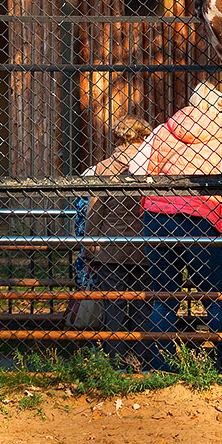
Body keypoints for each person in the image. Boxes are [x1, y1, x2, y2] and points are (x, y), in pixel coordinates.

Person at [139, 81, 222, 374]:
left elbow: (136, 169)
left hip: (157, 218)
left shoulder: (162, 131)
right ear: (219, 108)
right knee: (214, 298)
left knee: (164, 298)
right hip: (201, 221)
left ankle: (159, 368)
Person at [79, 116, 154, 354]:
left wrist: (89, 251)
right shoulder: (151, 166)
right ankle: (144, 358)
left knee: (114, 306)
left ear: (118, 138)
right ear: (143, 137)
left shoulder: (104, 168)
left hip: (111, 250)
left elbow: (94, 213)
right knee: (144, 304)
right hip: (146, 248)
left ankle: (116, 360)